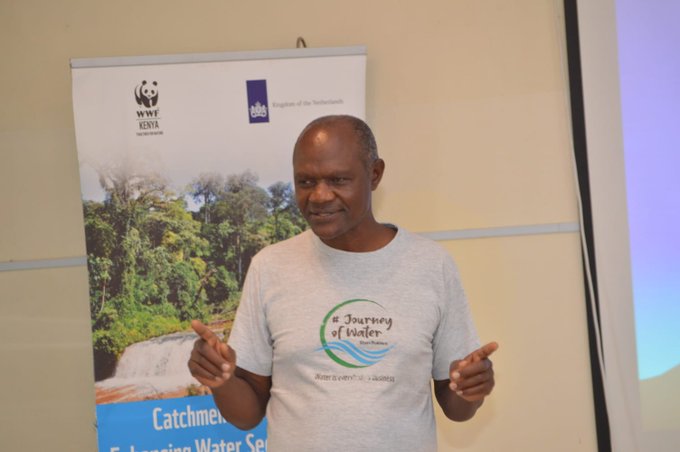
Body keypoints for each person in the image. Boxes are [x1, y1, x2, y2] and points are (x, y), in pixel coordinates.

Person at [188, 115, 498, 451]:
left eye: (338, 179)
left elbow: (456, 408)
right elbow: (247, 416)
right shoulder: (271, 267)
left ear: (375, 174)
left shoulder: (431, 265)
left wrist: (470, 388)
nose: (320, 196)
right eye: (305, 182)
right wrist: (221, 379)